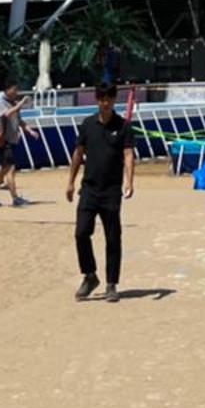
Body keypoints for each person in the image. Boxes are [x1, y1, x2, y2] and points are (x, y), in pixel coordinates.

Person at [66, 80, 136, 302]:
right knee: (81, 232)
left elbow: (128, 154)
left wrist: (129, 181)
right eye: (102, 99)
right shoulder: (87, 125)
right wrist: (70, 181)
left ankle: (111, 283)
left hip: (111, 190)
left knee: (113, 236)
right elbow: (78, 154)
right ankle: (90, 275)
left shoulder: (123, 126)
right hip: (89, 188)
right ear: (97, 100)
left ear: (114, 100)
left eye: (109, 99)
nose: (105, 103)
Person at [0, 84, 32, 208]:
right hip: (3, 142)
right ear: (7, 90)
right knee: (9, 170)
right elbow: (6, 114)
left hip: (11, 141)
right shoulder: (2, 103)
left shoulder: (13, 103)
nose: (16, 92)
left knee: (3, 172)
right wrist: (20, 104)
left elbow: (19, 121)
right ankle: (14, 198)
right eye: (14, 89)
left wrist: (30, 130)